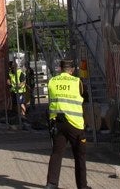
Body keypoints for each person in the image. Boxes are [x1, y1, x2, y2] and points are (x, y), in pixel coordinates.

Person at [45, 59, 89, 189]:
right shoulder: (77, 82)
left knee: (56, 154)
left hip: (57, 123)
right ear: (72, 70)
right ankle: (82, 186)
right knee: (80, 156)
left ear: (60, 68)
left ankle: (51, 184)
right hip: (75, 124)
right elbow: (84, 97)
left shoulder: (52, 81)